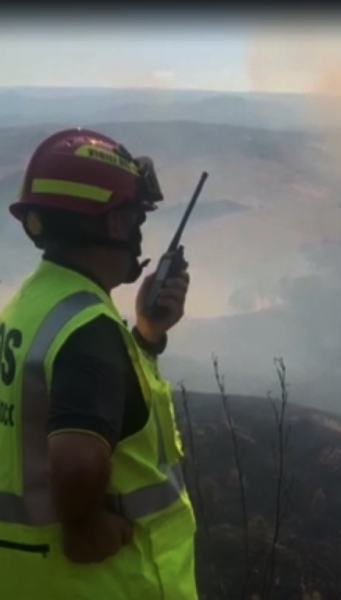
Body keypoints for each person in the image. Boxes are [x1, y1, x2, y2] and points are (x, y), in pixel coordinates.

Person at [0, 128, 197, 598]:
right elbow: (75, 463)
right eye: (134, 219)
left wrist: (147, 335)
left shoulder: (30, 307)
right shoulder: (88, 331)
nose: (138, 233)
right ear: (113, 225)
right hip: (103, 584)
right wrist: (84, 526)